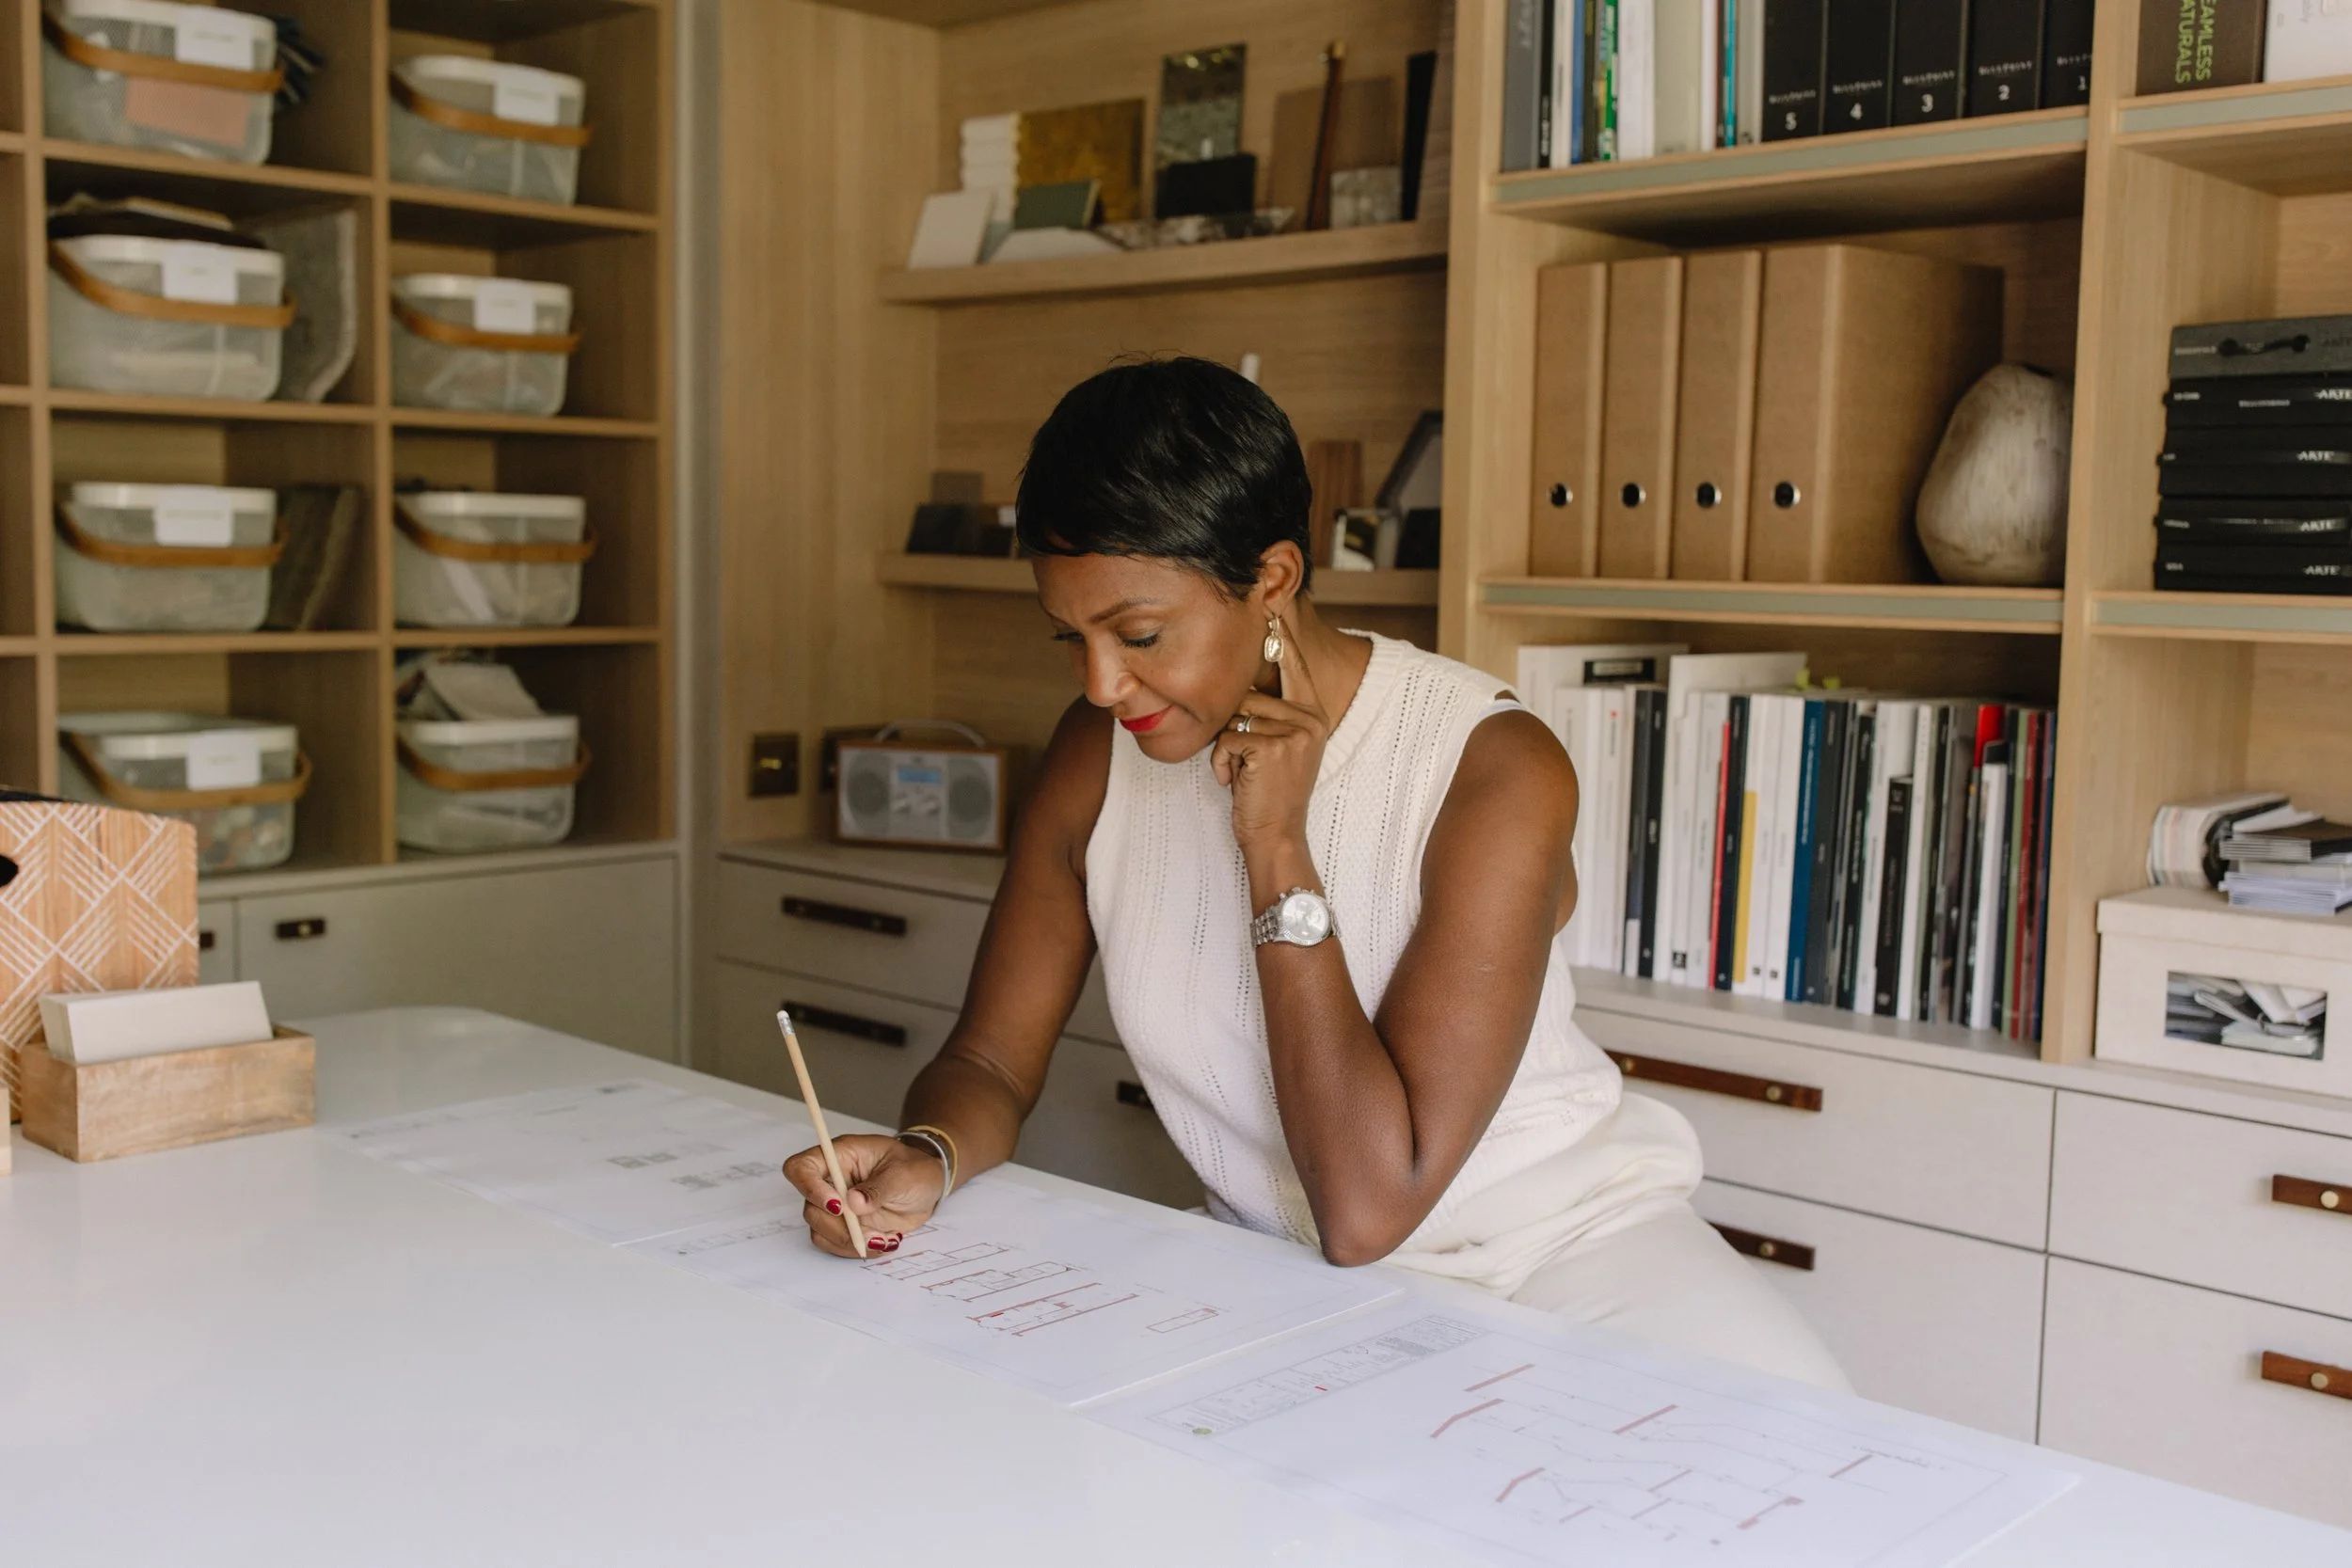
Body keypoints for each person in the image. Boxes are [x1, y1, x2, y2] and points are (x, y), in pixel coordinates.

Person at [783, 357, 1846, 1389]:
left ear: (1273, 580)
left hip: (1562, 1252)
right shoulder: (1091, 757)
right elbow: (991, 1059)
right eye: (1071, 638)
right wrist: (928, 1152)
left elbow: (1370, 1204)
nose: (1103, 683)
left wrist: (1276, 844)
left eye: (1139, 633)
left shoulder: (1491, 768)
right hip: (1277, 1274)